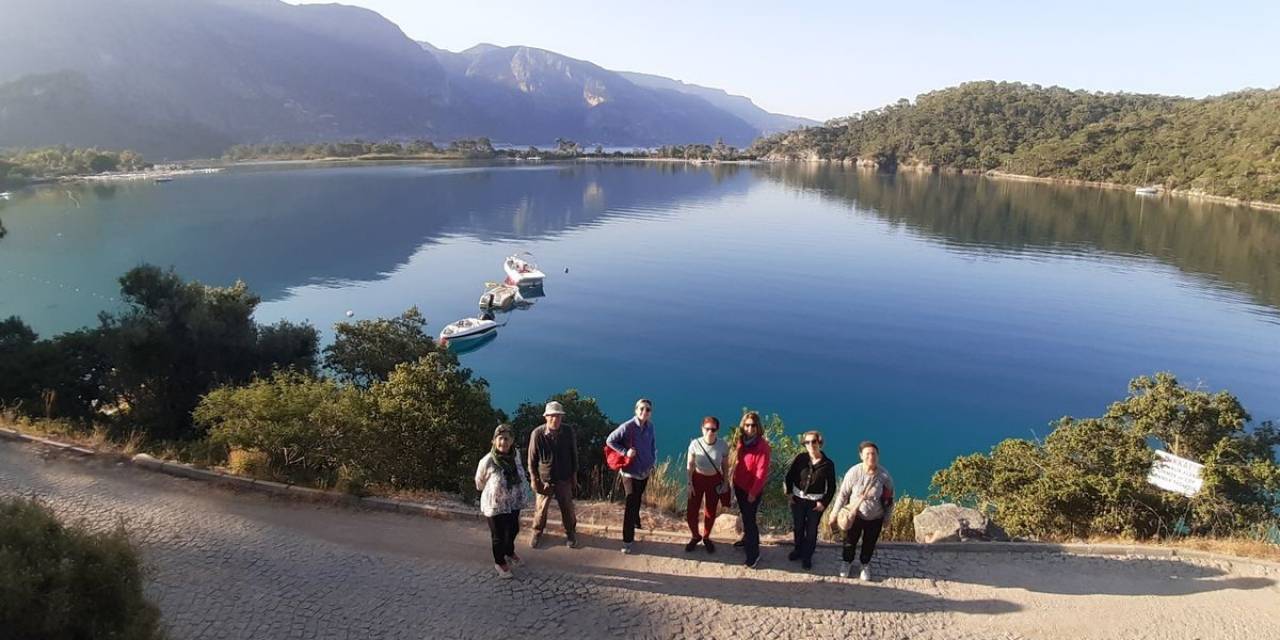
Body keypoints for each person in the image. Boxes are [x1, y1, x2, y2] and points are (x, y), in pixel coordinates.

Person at [828, 440, 895, 581]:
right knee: (849, 542)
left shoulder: (884, 476)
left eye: (874, 453)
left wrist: (888, 517)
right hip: (855, 516)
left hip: (875, 517)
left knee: (869, 543)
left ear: (878, 455)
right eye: (867, 454)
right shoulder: (854, 472)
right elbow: (843, 494)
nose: (871, 457)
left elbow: (889, 498)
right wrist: (834, 513)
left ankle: (865, 565)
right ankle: (847, 562)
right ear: (861, 456)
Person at [475, 424, 530, 579]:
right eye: (500, 439)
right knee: (498, 535)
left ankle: (509, 551)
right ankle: (499, 562)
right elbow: (479, 483)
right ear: (493, 441)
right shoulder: (487, 461)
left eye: (507, 439)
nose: (503, 442)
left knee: (513, 529)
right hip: (495, 506)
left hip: (513, 503)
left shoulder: (516, 454)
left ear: (512, 441)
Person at [606, 398, 657, 555]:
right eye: (641, 408)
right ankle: (628, 541)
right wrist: (625, 452)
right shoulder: (627, 427)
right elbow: (610, 440)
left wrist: (653, 461)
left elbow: (652, 444)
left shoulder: (650, 426)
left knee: (637, 499)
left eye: (648, 409)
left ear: (650, 412)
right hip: (630, 473)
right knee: (630, 504)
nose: (644, 412)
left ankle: (636, 522)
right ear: (636, 410)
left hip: (644, 472)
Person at [527, 401, 580, 549]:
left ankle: (570, 533)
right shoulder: (537, 434)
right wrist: (533, 479)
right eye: (552, 416)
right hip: (545, 479)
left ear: (561, 417)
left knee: (567, 508)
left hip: (564, 478)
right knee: (541, 509)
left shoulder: (568, 431)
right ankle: (537, 532)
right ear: (546, 417)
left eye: (558, 416)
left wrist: (574, 475)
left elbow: (574, 454)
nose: (555, 419)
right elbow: (531, 459)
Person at [783, 430, 837, 570]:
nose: (811, 444)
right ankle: (798, 550)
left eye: (814, 441)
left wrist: (823, 503)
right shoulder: (800, 458)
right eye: (807, 442)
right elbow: (789, 476)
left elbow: (831, 487)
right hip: (798, 500)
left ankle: (807, 556)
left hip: (815, 503)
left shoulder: (828, 464)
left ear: (820, 443)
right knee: (798, 527)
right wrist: (789, 493)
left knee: (812, 531)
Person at [730, 411, 771, 569]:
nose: (750, 428)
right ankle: (747, 540)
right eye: (747, 425)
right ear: (743, 426)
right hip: (739, 485)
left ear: (757, 426)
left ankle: (754, 554)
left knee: (750, 520)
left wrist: (753, 493)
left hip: (751, 490)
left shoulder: (762, 447)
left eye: (753, 425)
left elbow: (761, 473)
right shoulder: (742, 441)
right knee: (745, 516)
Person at [685, 416, 729, 553]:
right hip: (697, 479)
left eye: (713, 429)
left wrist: (726, 482)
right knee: (691, 512)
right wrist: (689, 483)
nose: (710, 432)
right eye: (707, 429)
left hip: (714, 480)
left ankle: (706, 537)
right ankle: (695, 536)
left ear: (718, 430)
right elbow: (690, 465)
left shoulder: (723, 445)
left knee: (710, 511)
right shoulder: (695, 444)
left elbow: (725, 465)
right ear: (702, 429)